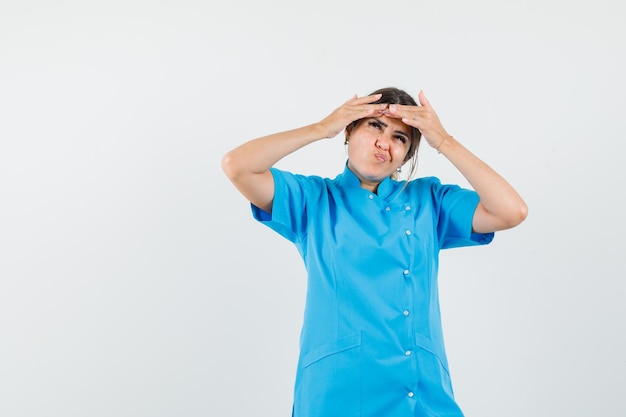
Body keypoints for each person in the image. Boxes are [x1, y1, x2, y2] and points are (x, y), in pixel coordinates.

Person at [221, 87, 528, 417]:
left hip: (420, 392)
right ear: (349, 130)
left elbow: (511, 210)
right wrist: (322, 128)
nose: (385, 143)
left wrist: (443, 141)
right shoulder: (314, 199)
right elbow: (237, 165)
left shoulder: (430, 201)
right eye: (375, 127)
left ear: (407, 156)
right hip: (339, 392)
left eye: (401, 138)